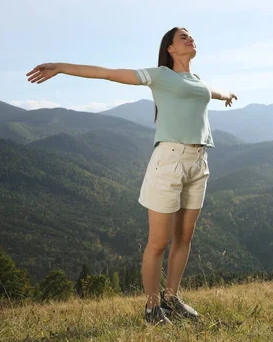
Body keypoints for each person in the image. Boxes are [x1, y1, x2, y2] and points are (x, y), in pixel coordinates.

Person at [26, 27, 237, 325]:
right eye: (182, 37)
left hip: (199, 163)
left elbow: (213, 92)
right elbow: (108, 73)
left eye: (191, 35)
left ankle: (171, 299)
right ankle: (152, 309)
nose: (190, 39)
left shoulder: (197, 81)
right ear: (170, 49)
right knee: (159, 242)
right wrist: (61, 67)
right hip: (169, 162)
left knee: (185, 237)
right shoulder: (160, 76)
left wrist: (229, 95)